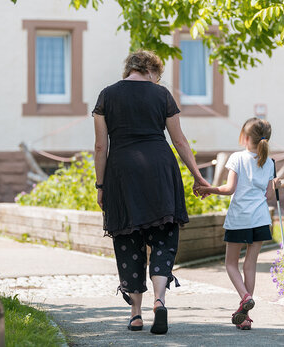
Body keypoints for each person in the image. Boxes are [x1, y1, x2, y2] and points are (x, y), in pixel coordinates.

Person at [92, 50, 210, 334]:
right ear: (153, 71)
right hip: (160, 169)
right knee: (163, 236)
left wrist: (101, 185)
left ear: (129, 69)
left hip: (122, 173)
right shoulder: (162, 95)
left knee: (127, 239)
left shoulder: (107, 96)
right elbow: (179, 141)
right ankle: (159, 300)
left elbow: (100, 147)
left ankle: (135, 314)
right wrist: (198, 176)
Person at [196, 117, 282, 330]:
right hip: (261, 220)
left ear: (244, 137)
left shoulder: (237, 158)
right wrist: (275, 184)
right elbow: (269, 196)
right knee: (249, 265)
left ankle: (245, 297)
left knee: (230, 264)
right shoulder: (270, 162)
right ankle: (245, 317)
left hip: (239, 219)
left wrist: (208, 189)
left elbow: (229, 189)